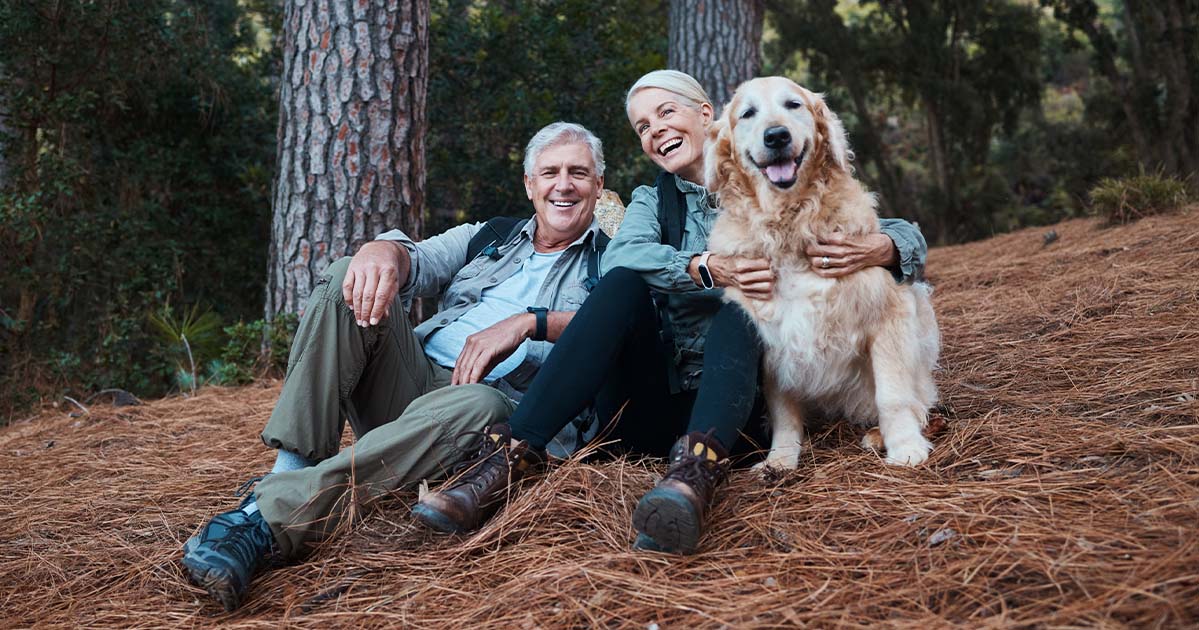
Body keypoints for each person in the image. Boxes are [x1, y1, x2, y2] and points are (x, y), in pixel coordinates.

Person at [413, 70, 928, 554]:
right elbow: (623, 255)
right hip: (649, 397)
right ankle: (504, 462)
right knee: (623, 284)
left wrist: (884, 246)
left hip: (733, 409)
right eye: (643, 126)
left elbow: (869, 219)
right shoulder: (651, 201)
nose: (656, 130)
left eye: (665, 113)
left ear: (709, 117)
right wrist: (708, 267)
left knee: (741, 307)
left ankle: (691, 481)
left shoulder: (768, 184)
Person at [181, 122, 611, 611]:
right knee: (349, 274)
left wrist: (530, 322)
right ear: (529, 185)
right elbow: (417, 259)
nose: (564, 184)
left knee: (480, 400)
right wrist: (382, 251)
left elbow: (622, 329)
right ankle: (288, 470)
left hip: (493, 417)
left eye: (579, 173)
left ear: (599, 185)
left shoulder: (612, 260)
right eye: (549, 172)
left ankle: (263, 519)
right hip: (412, 382)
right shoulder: (492, 237)